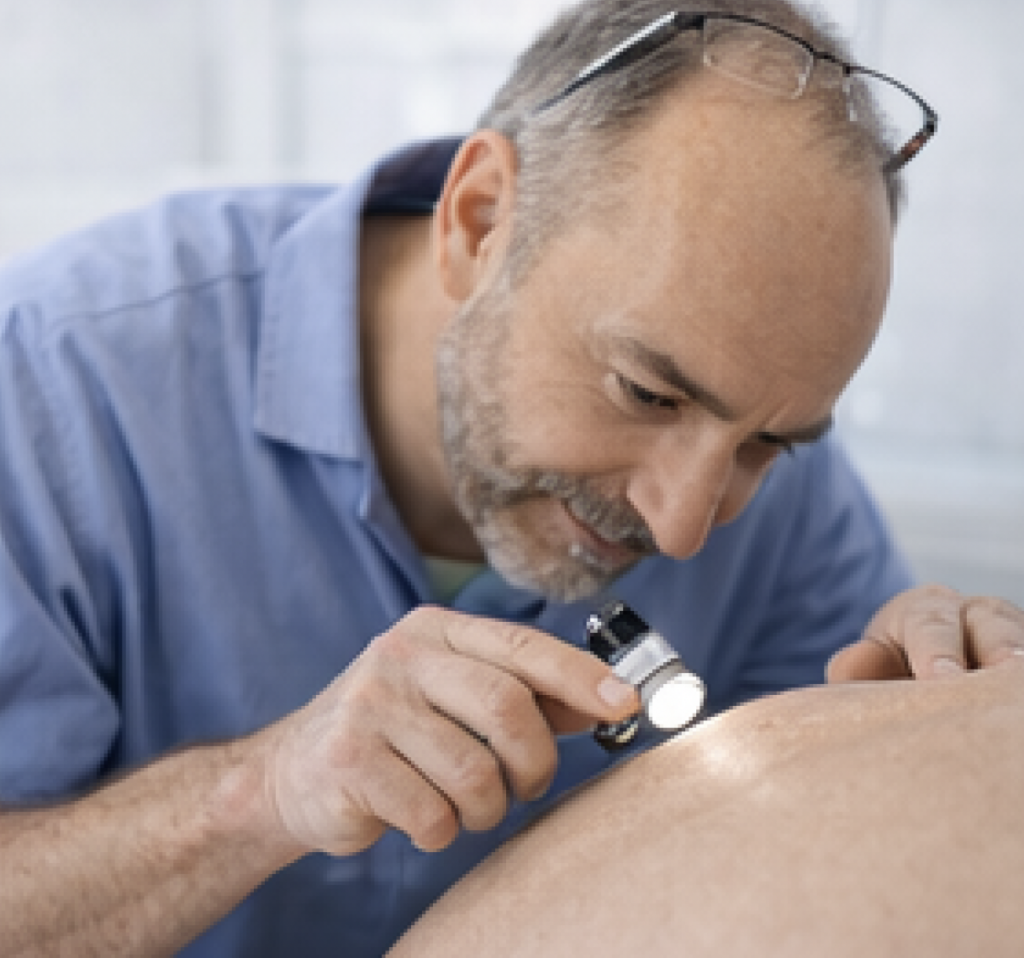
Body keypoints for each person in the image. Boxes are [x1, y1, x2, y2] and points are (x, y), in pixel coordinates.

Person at [0, 0, 1020, 955]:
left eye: (767, 445)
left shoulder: (775, 452)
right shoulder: (55, 385)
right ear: (479, 222)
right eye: (645, 393)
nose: (681, 528)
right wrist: (260, 794)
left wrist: (926, 727)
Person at [389, 656, 1024, 957]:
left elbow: (869, 710)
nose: (683, 529)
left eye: (764, 448)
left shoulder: (793, 507)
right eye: (645, 408)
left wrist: (941, 672)